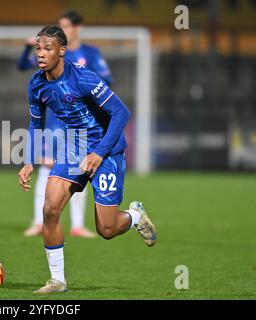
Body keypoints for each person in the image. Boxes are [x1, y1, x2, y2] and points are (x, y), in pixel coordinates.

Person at [17, 25, 157, 294]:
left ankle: (135, 215)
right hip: (73, 148)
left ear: (62, 51)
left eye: (47, 48)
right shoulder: (36, 83)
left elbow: (121, 114)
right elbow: (36, 124)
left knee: (106, 228)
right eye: (38, 48)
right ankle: (57, 280)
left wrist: (99, 152)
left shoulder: (83, 78)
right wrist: (28, 161)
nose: (41, 53)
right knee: (50, 209)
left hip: (107, 150)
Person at [19, 10, 113, 238]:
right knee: (47, 167)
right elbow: (23, 64)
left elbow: (106, 82)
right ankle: (38, 222)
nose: (65, 30)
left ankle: (78, 224)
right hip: (54, 123)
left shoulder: (89, 54)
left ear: (77, 28)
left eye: (67, 26)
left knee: (78, 170)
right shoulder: (48, 54)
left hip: (82, 124)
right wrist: (27, 48)